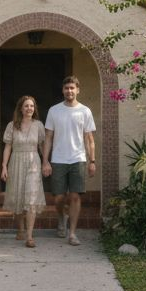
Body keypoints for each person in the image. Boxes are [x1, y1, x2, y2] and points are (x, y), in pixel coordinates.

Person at [42, 75, 96, 246]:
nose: (69, 91)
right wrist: (46, 161)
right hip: (58, 159)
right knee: (58, 198)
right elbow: (48, 137)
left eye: (72, 88)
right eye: (67, 88)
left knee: (74, 197)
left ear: (77, 90)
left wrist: (92, 161)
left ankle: (72, 233)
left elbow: (89, 139)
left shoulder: (85, 111)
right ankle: (61, 218)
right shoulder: (54, 110)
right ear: (63, 90)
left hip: (78, 159)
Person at [0, 95, 48, 248]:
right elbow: (8, 147)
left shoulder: (39, 125)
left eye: (32, 106)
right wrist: (4, 166)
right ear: (21, 108)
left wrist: (46, 162)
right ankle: (20, 229)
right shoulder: (12, 125)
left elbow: (42, 146)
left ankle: (29, 236)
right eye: (26, 106)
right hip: (16, 161)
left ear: (34, 109)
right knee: (19, 195)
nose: (29, 109)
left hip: (33, 161)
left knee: (31, 197)